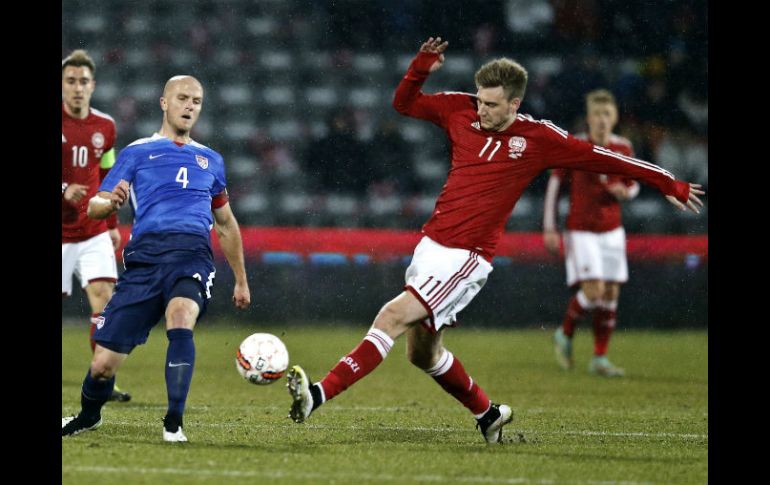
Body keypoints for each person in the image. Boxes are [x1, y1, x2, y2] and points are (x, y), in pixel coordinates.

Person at [286, 37, 704, 444]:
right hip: (431, 245)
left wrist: (668, 182)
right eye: (480, 100)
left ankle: (317, 395)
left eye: (491, 104)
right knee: (423, 355)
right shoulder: (459, 108)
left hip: (467, 257)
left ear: (514, 104)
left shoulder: (539, 138)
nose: (481, 110)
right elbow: (404, 104)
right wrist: (418, 72)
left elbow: (603, 157)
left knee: (390, 318)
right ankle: (488, 414)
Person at [61, 75, 251, 442]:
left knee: (180, 317)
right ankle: (88, 415)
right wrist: (109, 201)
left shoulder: (211, 160)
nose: (190, 106)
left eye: (196, 100)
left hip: (192, 255)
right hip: (145, 261)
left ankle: (173, 423)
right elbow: (97, 205)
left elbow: (225, 224)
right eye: (182, 98)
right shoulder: (136, 152)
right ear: (164, 103)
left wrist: (241, 279)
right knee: (102, 365)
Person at [544, 89, 638, 377]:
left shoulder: (623, 147)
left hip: (612, 229)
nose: (601, 120)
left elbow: (635, 182)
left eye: (606, 114)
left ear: (615, 117)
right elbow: (554, 186)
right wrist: (550, 227)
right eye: (596, 114)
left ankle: (599, 357)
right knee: (594, 290)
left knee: (610, 293)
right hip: (581, 230)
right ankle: (565, 332)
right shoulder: (575, 146)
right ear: (588, 118)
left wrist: (627, 192)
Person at [61, 49, 131, 402]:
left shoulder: (106, 126)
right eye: (70, 81)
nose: (77, 88)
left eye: (83, 81)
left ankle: (102, 380)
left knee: (105, 303)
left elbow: (108, 174)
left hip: (92, 230)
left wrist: (113, 221)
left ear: (93, 85)